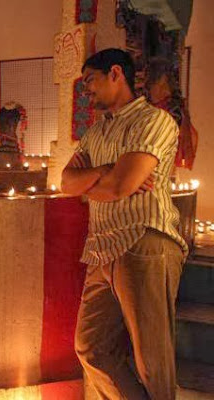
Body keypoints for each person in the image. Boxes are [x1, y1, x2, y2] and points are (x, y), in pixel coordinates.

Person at [61, 49, 187, 399]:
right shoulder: (95, 134)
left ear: (116, 73)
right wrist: (104, 172)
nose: (87, 91)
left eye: (90, 81)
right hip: (101, 249)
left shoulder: (153, 121)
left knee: (152, 361)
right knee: (91, 348)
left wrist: (98, 184)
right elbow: (67, 183)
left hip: (143, 240)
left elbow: (122, 186)